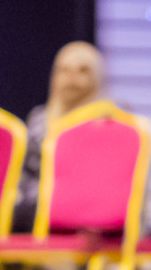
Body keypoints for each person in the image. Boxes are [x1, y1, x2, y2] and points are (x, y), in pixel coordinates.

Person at [11, 42, 107, 233]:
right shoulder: (39, 119)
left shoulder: (113, 123)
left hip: (89, 209)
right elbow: (25, 174)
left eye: (83, 70)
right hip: (36, 207)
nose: (72, 78)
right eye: (64, 70)